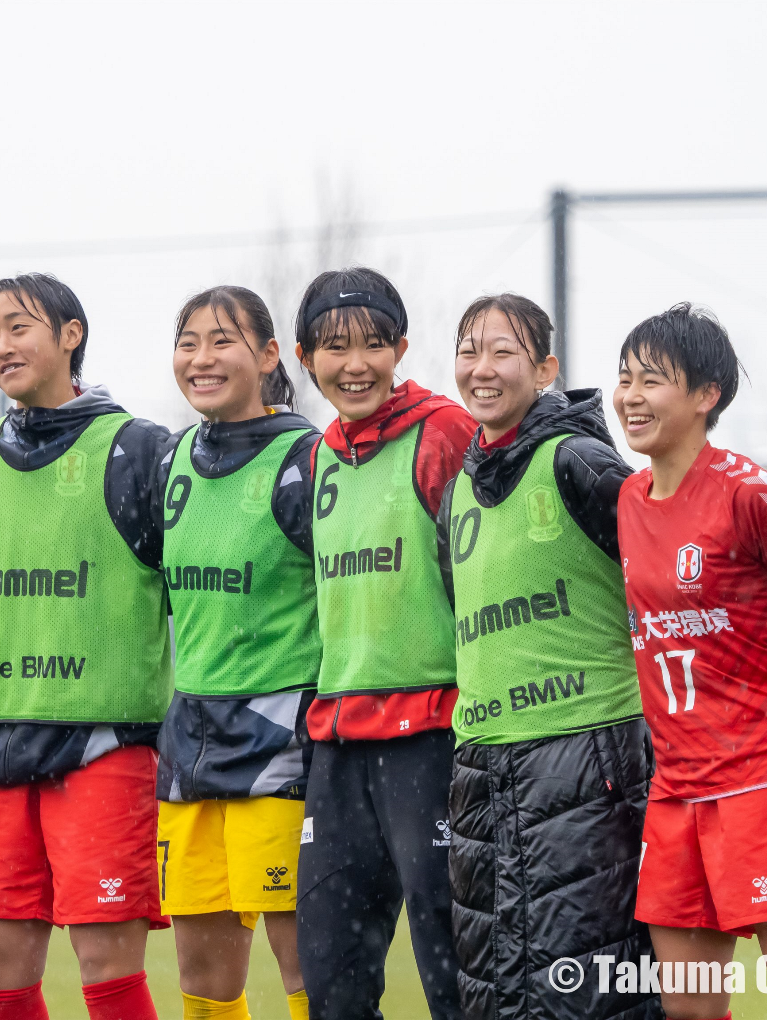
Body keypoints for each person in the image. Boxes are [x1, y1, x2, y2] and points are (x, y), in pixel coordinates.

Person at [0, 274, 173, 1020]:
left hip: (104, 744)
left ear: (70, 335)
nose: (1, 346)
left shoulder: (139, 447)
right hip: (3, 743)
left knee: (106, 969)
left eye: (18, 328)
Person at [439, 293, 660, 1020]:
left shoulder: (579, 462)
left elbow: (672, 564)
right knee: (497, 994)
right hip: (482, 766)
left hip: (587, 758)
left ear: (545, 370)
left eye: (502, 352)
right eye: (469, 351)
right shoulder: (456, 493)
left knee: (591, 992)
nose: (482, 368)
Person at [615, 303, 767, 1020]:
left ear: (707, 395)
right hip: (677, 783)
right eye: (625, 378)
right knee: (689, 1009)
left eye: (652, 380)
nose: (631, 396)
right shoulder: (628, 498)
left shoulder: (750, 493)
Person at [293, 268, 476, 1020]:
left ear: (401, 348)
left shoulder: (444, 432)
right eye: (335, 348)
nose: (355, 364)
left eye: (373, 344)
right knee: (330, 976)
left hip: (432, 733)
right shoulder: (318, 456)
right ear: (305, 358)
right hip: (339, 743)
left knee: (454, 968)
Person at [154, 287, 316, 1020]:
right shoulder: (171, 460)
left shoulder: (307, 457)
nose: (202, 358)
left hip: (281, 739)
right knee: (203, 974)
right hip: (189, 742)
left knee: (304, 962)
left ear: (269, 355)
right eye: (188, 343)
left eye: (222, 341)